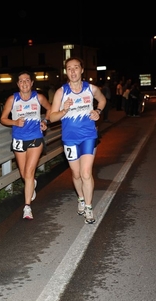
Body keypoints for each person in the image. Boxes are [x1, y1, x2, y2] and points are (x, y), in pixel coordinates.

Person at [49, 57, 106, 224]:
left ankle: (89, 207)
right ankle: (81, 198)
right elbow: (52, 117)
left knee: (86, 173)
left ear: (82, 70)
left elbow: (102, 100)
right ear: (66, 72)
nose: (73, 71)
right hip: (69, 139)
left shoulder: (91, 89)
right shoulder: (62, 92)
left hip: (88, 136)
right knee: (76, 174)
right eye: (69, 68)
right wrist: (64, 109)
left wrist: (98, 111)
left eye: (76, 67)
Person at [0, 71, 51, 220]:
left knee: (28, 173)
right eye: (21, 81)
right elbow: (3, 119)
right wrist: (15, 122)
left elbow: (50, 109)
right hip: (18, 139)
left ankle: (27, 207)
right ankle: (32, 183)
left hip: (35, 137)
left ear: (32, 83)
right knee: (24, 175)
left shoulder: (38, 97)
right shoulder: (12, 99)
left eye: (27, 80)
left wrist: (45, 122)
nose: (24, 83)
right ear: (18, 84)